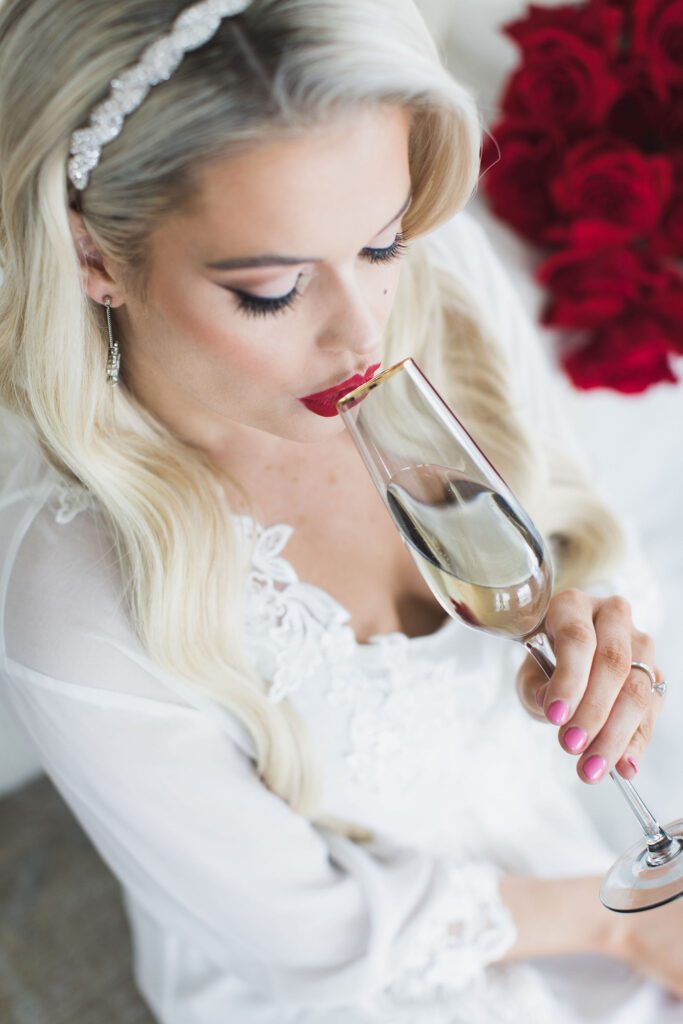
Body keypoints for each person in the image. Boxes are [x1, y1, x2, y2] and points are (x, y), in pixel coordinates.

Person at [0, 0, 680, 1021]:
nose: (364, 334)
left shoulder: (437, 286)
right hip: (362, 964)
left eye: (382, 243)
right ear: (92, 255)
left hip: (556, 828)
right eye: (272, 291)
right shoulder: (74, 595)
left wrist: (600, 642)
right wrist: (618, 925)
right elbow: (305, 937)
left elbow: (586, 539)